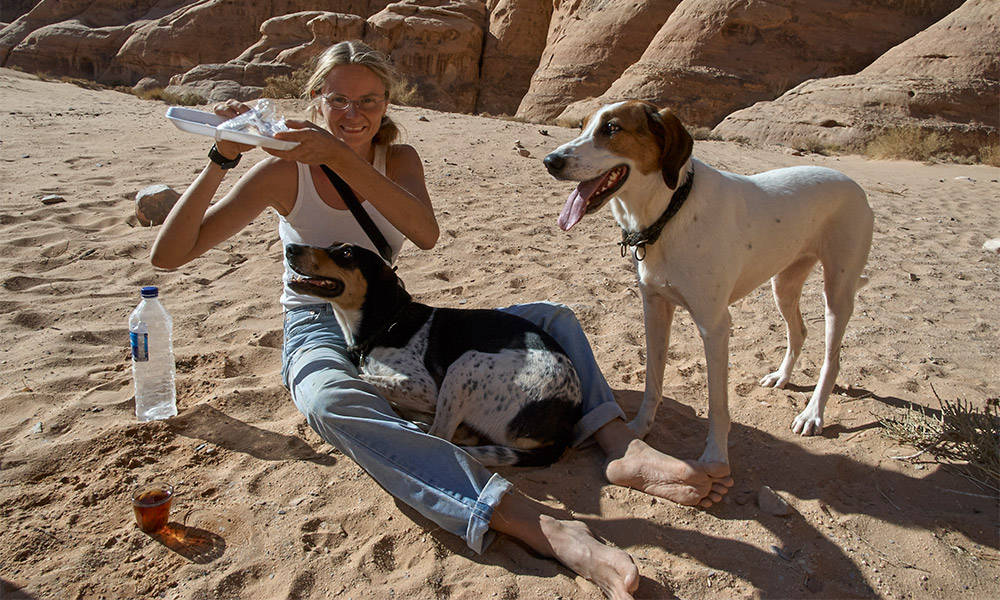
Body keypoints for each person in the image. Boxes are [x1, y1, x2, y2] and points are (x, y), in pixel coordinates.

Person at [151, 40, 732, 600]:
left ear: (386, 106)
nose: (353, 114)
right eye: (338, 100)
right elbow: (170, 256)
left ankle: (617, 442)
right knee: (331, 405)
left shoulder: (398, 160)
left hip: (393, 313)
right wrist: (221, 157)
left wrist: (340, 158)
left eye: (369, 101)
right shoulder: (284, 172)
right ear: (316, 100)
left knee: (552, 318)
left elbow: (425, 234)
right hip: (318, 322)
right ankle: (531, 522)